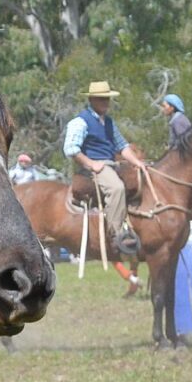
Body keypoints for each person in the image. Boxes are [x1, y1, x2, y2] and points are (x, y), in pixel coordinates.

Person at [63, 80, 146, 256]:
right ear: (92, 99)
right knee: (116, 188)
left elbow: (122, 146)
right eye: (101, 99)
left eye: (107, 99)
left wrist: (137, 162)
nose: (105, 103)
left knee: (139, 182)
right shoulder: (80, 122)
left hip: (112, 164)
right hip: (94, 168)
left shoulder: (108, 122)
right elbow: (71, 148)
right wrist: (91, 164)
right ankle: (116, 235)